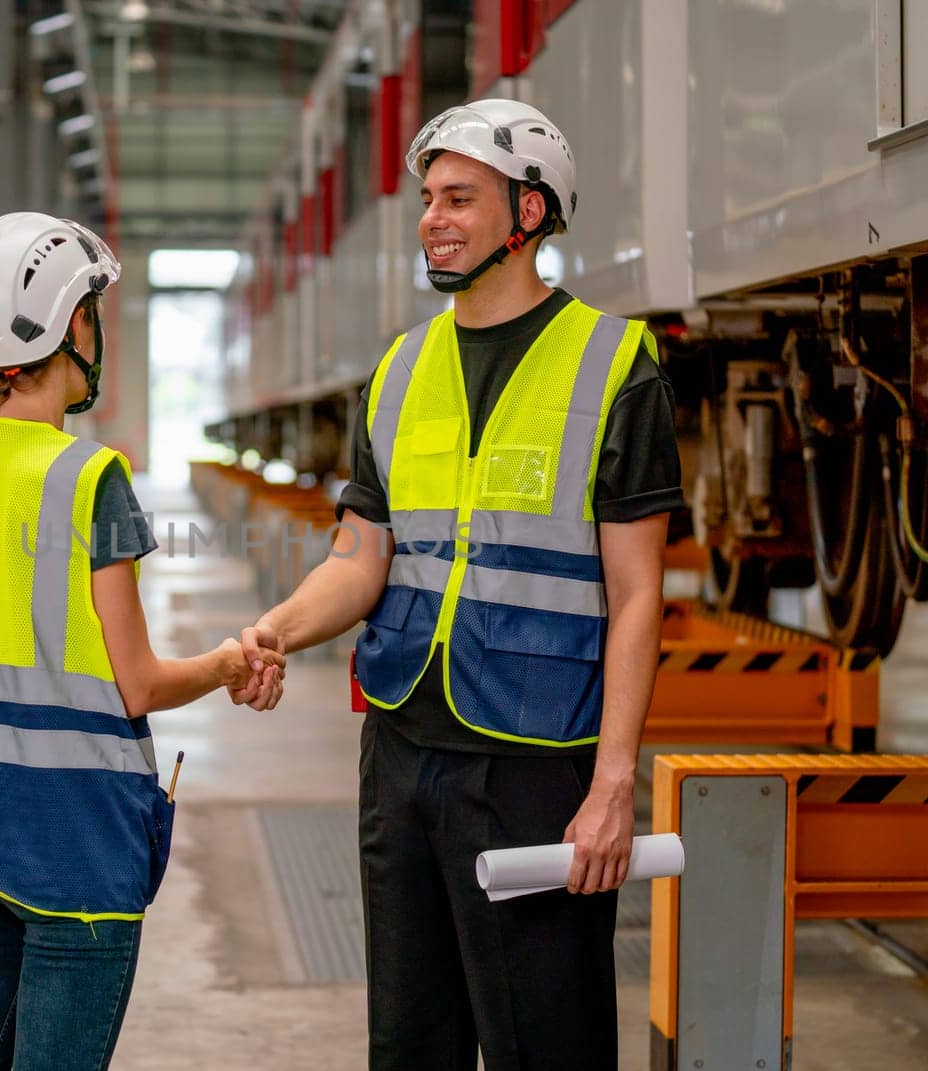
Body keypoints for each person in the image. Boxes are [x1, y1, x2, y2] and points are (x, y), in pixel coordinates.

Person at [231, 100, 685, 1069]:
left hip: (533, 764)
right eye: (428, 199)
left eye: (458, 198)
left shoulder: (614, 364)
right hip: (400, 753)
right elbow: (361, 558)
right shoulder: (397, 370)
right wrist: (277, 627)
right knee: (408, 1044)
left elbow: (638, 593)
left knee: (546, 1045)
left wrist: (613, 786)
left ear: (527, 213)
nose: (433, 217)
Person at [0, 211, 284, 1071]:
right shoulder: (88, 478)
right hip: (76, 850)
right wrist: (224, 662)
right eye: (93, 310)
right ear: (69, 326)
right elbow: (133, 684)